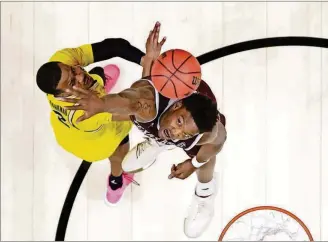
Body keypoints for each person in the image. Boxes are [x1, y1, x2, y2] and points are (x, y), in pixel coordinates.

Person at [62, 23, 227, 238]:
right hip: (157, 111)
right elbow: (128, 101)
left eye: (183, 133)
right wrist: (102, 104)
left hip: (198, 122)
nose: (177, 133)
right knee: (126, 160)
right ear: (176, 106)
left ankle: (206, 197)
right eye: (178, 122)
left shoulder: (205, 130)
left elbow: (216, 144)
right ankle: (157, 143)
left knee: (206, 159)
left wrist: (193, 164)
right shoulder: (147, 104)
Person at [35, 22, 162, 206]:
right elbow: (142, 110)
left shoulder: (61, 59)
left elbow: (115, 45)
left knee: (97, 73)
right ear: (62, 95)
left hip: (65, 130)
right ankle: (116, 183)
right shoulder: (86, 115)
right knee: (119, 154)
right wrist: (150, 62)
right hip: (97, 143)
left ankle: (101, 92)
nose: (80, 75)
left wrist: (142, 59)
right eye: (72, 83)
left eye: (73, 69)